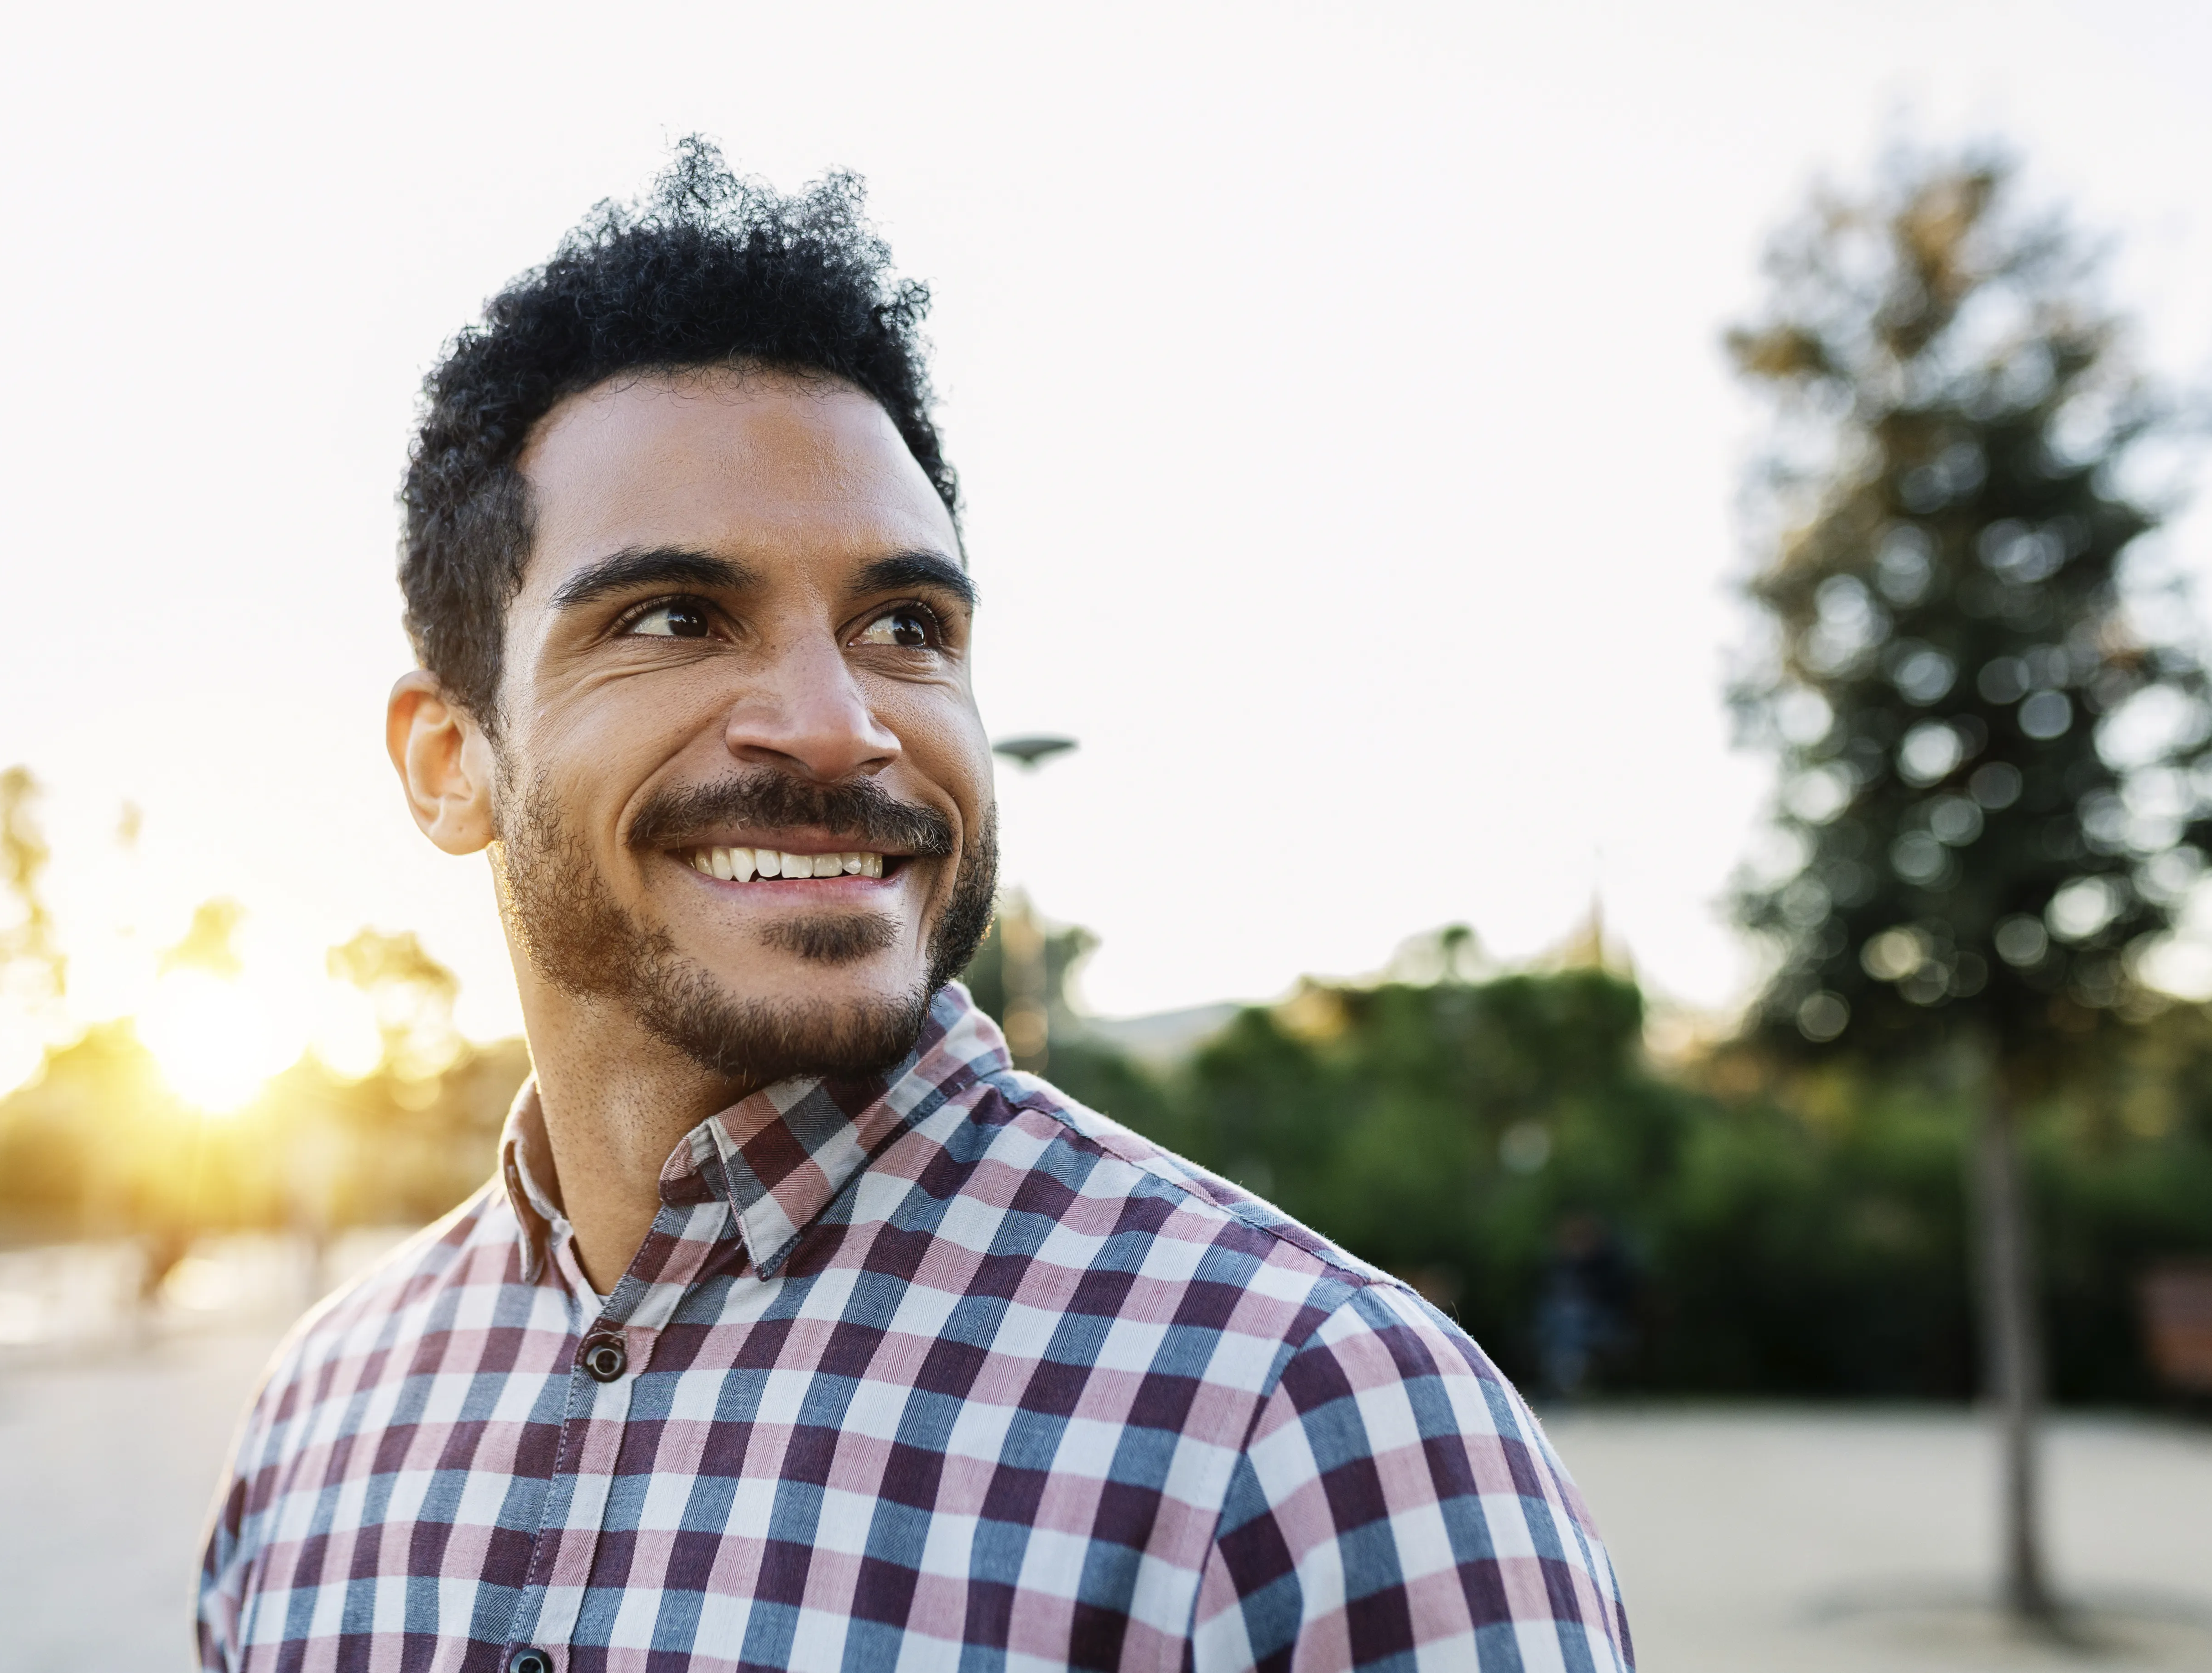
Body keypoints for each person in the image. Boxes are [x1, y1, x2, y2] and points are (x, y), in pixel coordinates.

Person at [196, 141, 1632, 1673]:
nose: (835, 723)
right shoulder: (319, 1424)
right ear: (445, 761)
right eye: (676, 617)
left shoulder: (1306, 1433)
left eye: (902, 624)